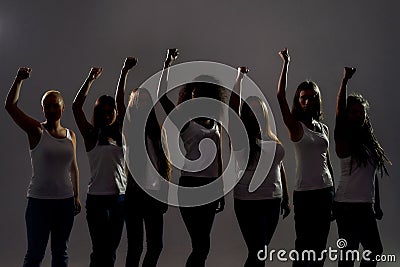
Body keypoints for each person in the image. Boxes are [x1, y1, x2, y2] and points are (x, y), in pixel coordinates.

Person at [5, 67, 81, 267]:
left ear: (62, 108)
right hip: (39, 202)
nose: (51, 110)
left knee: (61, 254)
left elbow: (74, 168)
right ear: (43, 109)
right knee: (34, 255)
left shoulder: (70, 135)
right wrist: (19, 79)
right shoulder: (36, 131)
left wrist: (76, 195)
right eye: (47, 106)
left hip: (64, 202)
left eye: (55, 106)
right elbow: (10, 106)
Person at [157, 48, 225, 267]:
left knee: (203, 245)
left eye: (201, 95)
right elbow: (161, 96)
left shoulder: (216, 122)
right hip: (190, 185)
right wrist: (168, 63)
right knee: (201, 244)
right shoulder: (185, 120)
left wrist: (221, 187)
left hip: (211, 187)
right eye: (194, 94)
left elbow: (219, 157)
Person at [72, 57, 137, 267]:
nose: (108, 114)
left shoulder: (121, 132)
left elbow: (121, 100)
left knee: (110, 250)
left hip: (119, 199)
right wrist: (90, 78)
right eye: (103, 111)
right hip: (97, 200)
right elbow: (75, 107)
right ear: (98, 113)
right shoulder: (91, 134)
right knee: (101, 250)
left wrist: (124, 71)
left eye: (111, 112)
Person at [277, 48, 334, 267]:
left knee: (320, 247)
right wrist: (286, 63)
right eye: (303, 98)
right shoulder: (295, 126)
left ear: (317, 99)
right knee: (303, 246)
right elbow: (280, 97)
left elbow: (326, 161)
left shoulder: (323, 128)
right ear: (298, 100)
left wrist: (334, 193)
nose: (307, 102)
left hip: (325, 191)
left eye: (311, 98)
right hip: (305, 194)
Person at [229, 66, 290, 267]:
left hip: (273, 199)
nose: (255, 112)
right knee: (258, 251)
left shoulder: (271, 137)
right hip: (248, 200)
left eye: (259, 108)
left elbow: (279, 166)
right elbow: (231, 110)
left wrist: (286, 197)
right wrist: (239, 78)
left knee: (260, 251)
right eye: (251, 109)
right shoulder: (240, 138)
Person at [333, 67, 391, 267]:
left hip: (364, 205)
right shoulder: (345, 139)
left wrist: (377, 203)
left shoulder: (368, 143)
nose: (358, 115)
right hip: (348, 205)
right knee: (349, 254)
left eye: (361, 112)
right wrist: (345, 81)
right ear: (348, 115)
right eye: (354, 112)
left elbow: (371, 174)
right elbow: (339, 113)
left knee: (374, 250)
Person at [124, 86, 171, 267]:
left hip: (154, 194)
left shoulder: (158, 131)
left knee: (155, 246)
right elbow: (121, 105)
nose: (143, 103)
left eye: (146, 100)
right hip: (135, 193)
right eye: (139, 100)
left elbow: (164, 165)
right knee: (135, 248)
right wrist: (124, 73)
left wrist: (164, 194)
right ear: (132, 105)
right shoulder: (128, 129)